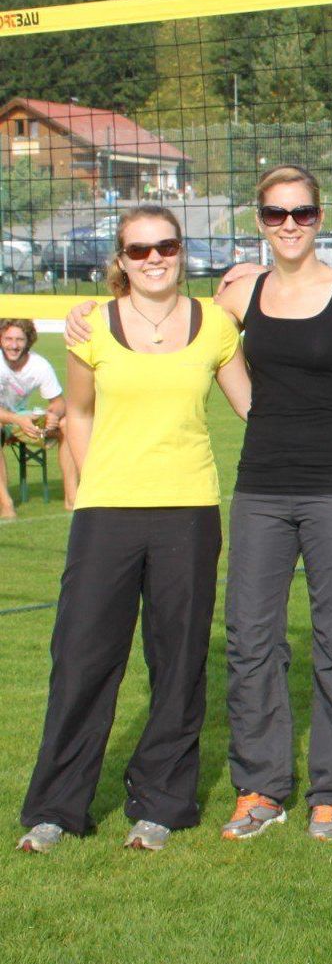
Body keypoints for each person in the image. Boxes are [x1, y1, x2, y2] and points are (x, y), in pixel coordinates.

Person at [17, 207, 250, 853]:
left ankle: (162, 804)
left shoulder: (214, 325)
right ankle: (56, 807)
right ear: (121, 259)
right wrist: (95, 486)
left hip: (188, 509)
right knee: (83, 659)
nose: (154, 258)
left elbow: (253, 406)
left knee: (177, 661)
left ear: (181, 251)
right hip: (107, 514)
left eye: (165, 246)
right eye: (139, 249)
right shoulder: (91, 325)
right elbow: (80, 411)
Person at [213, 166, 332, 842]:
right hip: (260, 485)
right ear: (258, 217)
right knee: (252, 638)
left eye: (301, 211)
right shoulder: (237, 292)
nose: (288, 223)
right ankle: (260, 785)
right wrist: (254, 408)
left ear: (320, 216)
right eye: (274, 212)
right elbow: (200, 349)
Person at [1, 318, 74, 517]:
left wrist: (53, 414)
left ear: (28, 341)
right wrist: (19, 420)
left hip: (21, 418)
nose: (14, 345)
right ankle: (6, 504)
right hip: (10, 419)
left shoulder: (39, 365)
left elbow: (59, 401)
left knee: (67, 424)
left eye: (19, 340)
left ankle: (72, 498)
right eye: (8, 339)